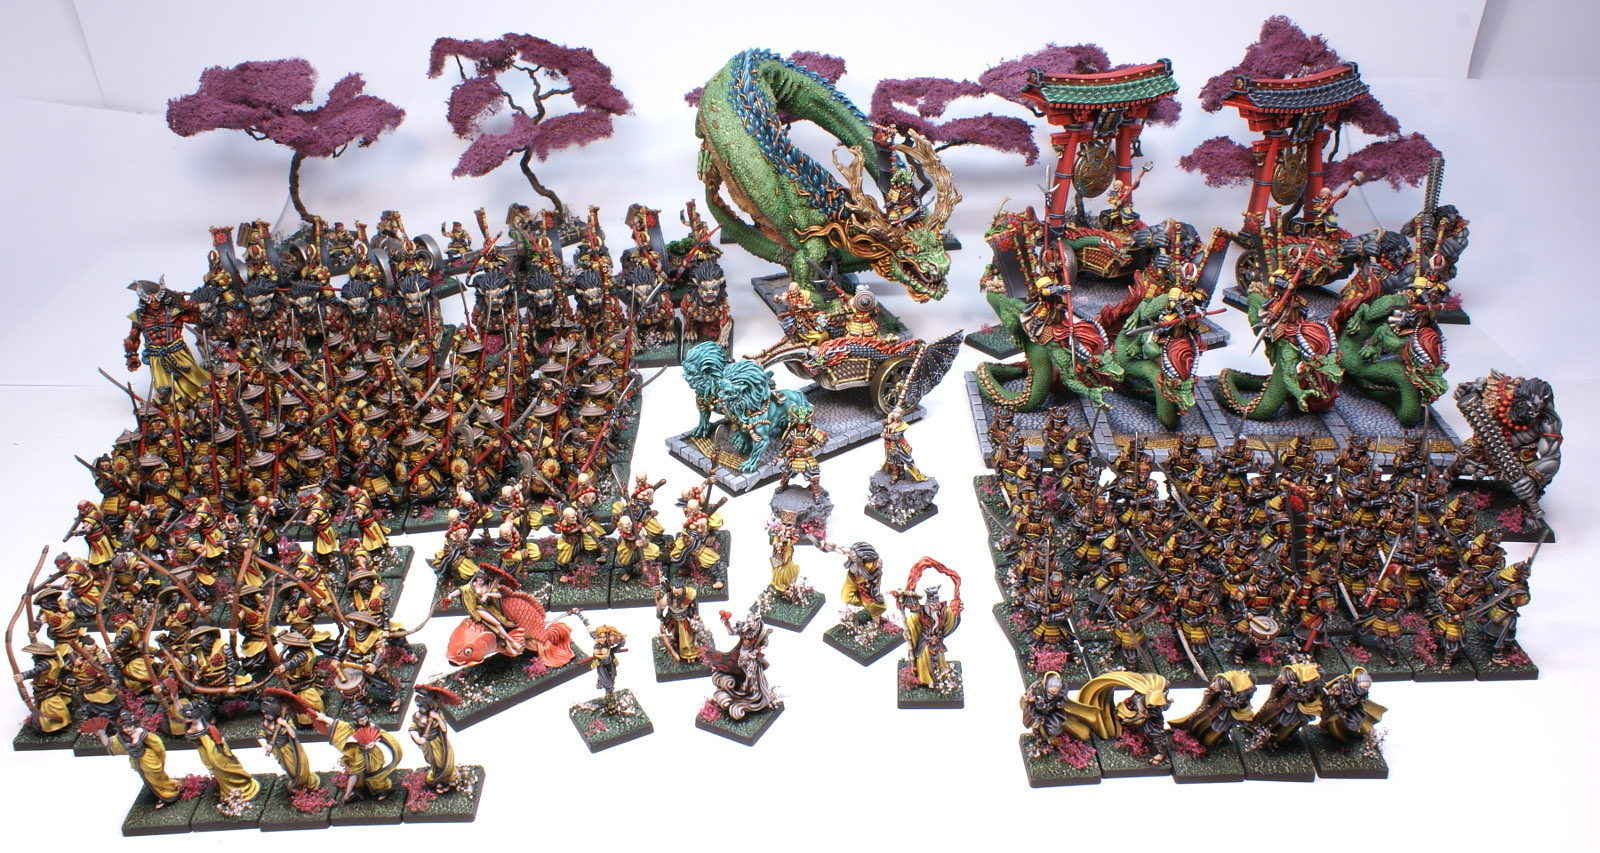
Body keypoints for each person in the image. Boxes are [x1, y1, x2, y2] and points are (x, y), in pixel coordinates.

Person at [409, 685, 462, 792]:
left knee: (442, 761)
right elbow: (413, 728)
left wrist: (437, 718)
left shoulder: (437, 714)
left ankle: (446, 780)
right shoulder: (418, 715)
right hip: (427, 744)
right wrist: (418, 738)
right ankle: (437, 779)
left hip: (438, 742)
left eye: (423, 707)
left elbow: (444, 728)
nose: (421, 709)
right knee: (432, 762)